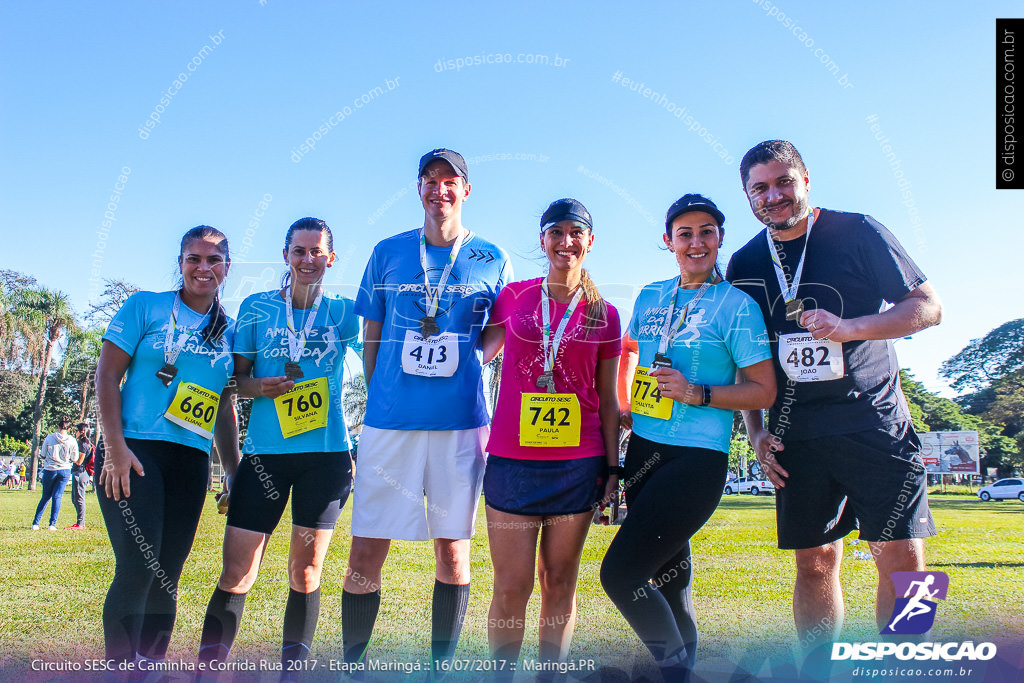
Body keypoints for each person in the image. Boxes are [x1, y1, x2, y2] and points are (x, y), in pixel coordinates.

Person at [725, 140, 943, 659]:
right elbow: (745, 358)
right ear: (747, 196)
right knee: (815, 563)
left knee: (903, 558)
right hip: (796, 435)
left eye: (784, 182)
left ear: (805, 179)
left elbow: (929, 307)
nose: (773, 196)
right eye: (760, 188)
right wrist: (756, 431)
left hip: (874, 422)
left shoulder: (858, 231)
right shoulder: (745, 261)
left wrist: (851, 328)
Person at [343, 149, 512, 668]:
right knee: (366, 551)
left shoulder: (491, 256)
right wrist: (381, 384)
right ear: (418, 189)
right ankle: (352, 664)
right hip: (390, 421)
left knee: (454, 551)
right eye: (430, 180)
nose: (440, 190)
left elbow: (501, 326)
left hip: (461, 422)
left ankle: (441, 669)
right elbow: (371, 327)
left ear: (465, 190)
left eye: (450, 181)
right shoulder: (388, 251)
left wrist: (472, 362)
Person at [601, 194, 776, 681]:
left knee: (621, 574)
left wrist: (697, 392)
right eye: (685, 234)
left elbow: (762, 389)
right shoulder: (652, 295)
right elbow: (630, 349)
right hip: (643, 450)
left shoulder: (737, 306)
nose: (696, 242)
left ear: (720, 238)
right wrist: (624, 404)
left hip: (697, 458)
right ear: (668, 241)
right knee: (670, 581)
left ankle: (676, 675)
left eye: (706, 232)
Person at [197, 217, 359, 676]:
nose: (308, 260)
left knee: (306, 572)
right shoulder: (257, 307)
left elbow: (379, 352)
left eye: (317, 252)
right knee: (238, 571)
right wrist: (259, 388)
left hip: (326, 458)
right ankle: (208, 669)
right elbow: (232, 382)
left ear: (331, 258)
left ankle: (293, 672)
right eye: (299, 251)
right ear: (286, 255)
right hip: (265, 456)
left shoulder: (344, 312)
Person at [481, 199, 620, 672]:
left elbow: (607, 397)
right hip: (511, 462)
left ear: (590, 241)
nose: (566, 242)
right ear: (543, 240)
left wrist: (613, 468)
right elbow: (475, 353)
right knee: (511, 585)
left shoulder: (607, 314)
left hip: (577, 464)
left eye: (575, 232)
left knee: (559, 580)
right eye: (556, 233)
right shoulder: (514, 296)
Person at [95, 226, 239, 671]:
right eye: (194, 258)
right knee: (138, 567)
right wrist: (115, 449)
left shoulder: (229, 331)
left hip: (191, 462)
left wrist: (233, 472)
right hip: (136, 454)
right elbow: (106, 376)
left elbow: (223, 406)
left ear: (227, 269)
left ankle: (150, 664)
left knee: (166, 574)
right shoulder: (146, 306)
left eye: (214, 260)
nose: (204, 268)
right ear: (180, 263)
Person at [31, 416, 79, 530]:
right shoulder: (72, 440)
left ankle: (35, 523)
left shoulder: (49, 438)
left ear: (58, 426)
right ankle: (52, 524)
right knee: (57, 497)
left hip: (50, 469)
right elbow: (75, 458)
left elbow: (43, 454)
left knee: (45, 496)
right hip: (65, 470)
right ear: (68, 429)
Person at [68, 422, 94, 529]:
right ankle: (80, 521)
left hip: (80, 473)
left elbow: (79, 461)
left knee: (79, 498)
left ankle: (80, 523)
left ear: (82, 432)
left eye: (76, 431)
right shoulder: (84, 443)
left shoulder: (83, 444)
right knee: (75, 498)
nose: (75, 433)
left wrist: (69, 458)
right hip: (78, 472)